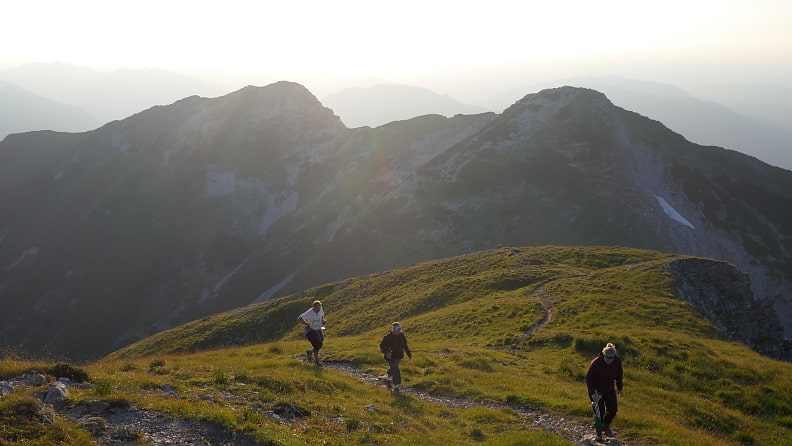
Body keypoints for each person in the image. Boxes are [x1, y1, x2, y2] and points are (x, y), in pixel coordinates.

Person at [586, 342, 624, 441]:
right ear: (603, 355)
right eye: (607, 358)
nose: (609, 360)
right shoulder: (596, 362)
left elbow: (619, 376)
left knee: (613, 409)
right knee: (600, 411)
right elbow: (589, 378)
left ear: (614, 357)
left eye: (611, 358)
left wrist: (620, 388)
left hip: (609, 388)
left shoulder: (617, 361)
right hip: (596, 390)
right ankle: (598, 432)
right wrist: (593, 393)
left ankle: (606, 427)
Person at [379, 322, 412, 392]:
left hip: (398, 356)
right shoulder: (387, 337)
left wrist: (409, 354)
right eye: (395, 330)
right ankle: (396, 386)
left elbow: (405, 345)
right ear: (393, 330)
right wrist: (386, 352)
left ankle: (387, 379)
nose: (397, 332)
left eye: (399, 330)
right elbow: (382, 346)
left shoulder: (401, 336)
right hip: (390, 357)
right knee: (396, 369)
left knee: (393, 368)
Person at [297, 300, 326, 366]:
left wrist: (322, 320)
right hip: (310, 331)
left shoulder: (320, 309)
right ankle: (317, 362)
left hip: (317, 329)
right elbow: (299, 318)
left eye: (319, 307)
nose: (318, 309)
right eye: (317, 308)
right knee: (316, 345)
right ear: (314, 307)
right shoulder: (310, 312)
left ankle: (309, 352)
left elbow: (322, 314)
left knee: (320, 344)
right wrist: (306, 323)